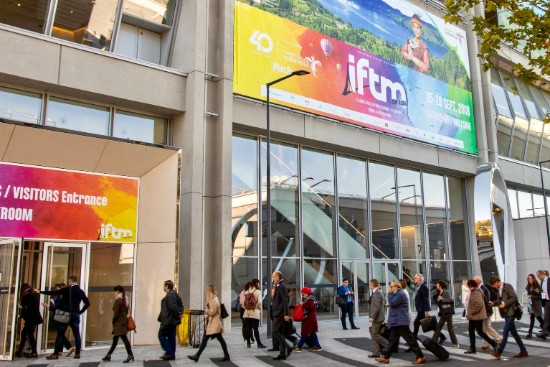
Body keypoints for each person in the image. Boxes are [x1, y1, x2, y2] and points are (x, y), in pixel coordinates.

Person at [38, 275, 90, 360]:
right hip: (75, 315)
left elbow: (54, 292)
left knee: (60, 334)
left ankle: (55, 354)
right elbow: (87, 303)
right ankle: (77, 354)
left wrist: (40, 292)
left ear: (70, 281)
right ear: (76, 281)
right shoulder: (80, 291)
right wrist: (80, 312)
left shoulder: (67, 289)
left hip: (66, 314)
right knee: (76, 334)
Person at [375, 280, 426, 365]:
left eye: (391, 287)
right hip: (396, 322)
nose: (390, 289)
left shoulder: (400, 294)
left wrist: (389, 294)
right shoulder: (396, 294)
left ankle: (420, 356)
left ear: (396, 287)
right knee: (392, 341)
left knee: (410, 340)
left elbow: (393, 303)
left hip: (401, 322)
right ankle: (386, 358)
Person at [488, 275, 528, 359]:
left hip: (511, 312)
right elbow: (499, 300)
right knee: (514, 333)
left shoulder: (508, 286)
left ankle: (499, 352)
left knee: (505, 332)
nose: (493, 286)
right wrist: (494, 303)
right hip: (505, 312)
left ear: (497, 282)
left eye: (494, 284)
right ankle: (523, 350)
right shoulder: (498, 289)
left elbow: (514, 297)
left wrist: (505, 304)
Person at [187, 285, 230, 362]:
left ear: (210, 291)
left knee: (206, 339)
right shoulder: (213, 299)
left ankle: (197, 356)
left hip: (214, 323)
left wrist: (206, 310)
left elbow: (212, 312)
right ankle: (226, 355)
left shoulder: (214, 300)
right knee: (219, 339)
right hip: (214, 323)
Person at [464, 279, 497, 354]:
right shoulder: (474, 291)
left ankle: (493, 343)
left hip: (476, 316)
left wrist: (472, 312)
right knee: (472, 331)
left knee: (479, 331)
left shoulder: (476, 292)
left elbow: (479, 304)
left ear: (470, 285)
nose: (467, 286)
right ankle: (472, 348)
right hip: (473, 316)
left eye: (467, 285)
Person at [102, 285, 134, 363]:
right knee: (115, 340)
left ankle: (130, 354)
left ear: (117, 291)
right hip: (123, 321)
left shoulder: (118, 301)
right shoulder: (125, 300)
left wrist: (113, 320)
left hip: (119, 323)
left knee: (124, 339)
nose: (114, 293)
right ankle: (108, 355)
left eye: (115, 291)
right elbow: (125, 312)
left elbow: (116, 313)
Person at [42, 283, 74, 357]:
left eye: (58, 288)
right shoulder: (59, 296)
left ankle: (59, 351)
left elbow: (59, 309)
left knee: (60, 334)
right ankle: (62, 350)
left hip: (61, 318)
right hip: (59, 317)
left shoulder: (63, 297)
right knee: (60, 334)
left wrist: (48, 306)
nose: (56, 290)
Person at [473, 276, 502, 351]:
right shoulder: (481, 288)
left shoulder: (483, 289)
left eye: (474, 281)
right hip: (484, 311)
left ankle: (499, 339)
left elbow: (486, 301)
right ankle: (487, 344)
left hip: (486, 311)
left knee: (487, 327)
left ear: (478, 281)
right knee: (484, 328)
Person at [15, 283, 42, 358]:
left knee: (28, 335)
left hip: (31, 319)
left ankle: (33, 352)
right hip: (32, 319)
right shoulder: (32, 294)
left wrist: (22, 307)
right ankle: (21, 351)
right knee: (25, 334)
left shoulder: (29, 295)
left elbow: (29, 306)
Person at [157, 280, 183, 360]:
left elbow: (172, 306)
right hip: (172, 320)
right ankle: (171, 354)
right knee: (171, 337)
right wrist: (179, 314)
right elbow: (180, 305)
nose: (163, 287)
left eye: (164, 286)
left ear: (167, 287)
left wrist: (178, 314)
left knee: (161, 335)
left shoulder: (170, 294)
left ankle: (169, 352)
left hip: (168, 320)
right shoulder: (175, 294)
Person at [271, 271, 294, 360]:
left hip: (280, 313)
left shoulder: (281, 286)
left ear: (277, 277)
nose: (273, 278)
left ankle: (288, 346)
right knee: (280, 332)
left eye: (273, 276)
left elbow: (285, 301)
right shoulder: (277, 286)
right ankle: (282, 354)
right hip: (278, 312)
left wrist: (286, 314)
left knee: (275, 332)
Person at [431, 280, 458, 348]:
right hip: (444, 313)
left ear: (440, 285)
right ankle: (433, 341)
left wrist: (442, 299)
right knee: (439, 327)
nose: (436, 285)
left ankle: (455, 343)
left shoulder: (445, 292)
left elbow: (450, 300)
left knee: (449, 328)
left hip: (447, 313)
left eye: (437, 284)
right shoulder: (440, 292)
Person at [294, 287, 322, 352]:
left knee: (305, 332)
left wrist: (302, 305)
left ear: (306, 293)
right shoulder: (307, 298)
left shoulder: (310, 299)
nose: (302, 294)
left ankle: (299, 347)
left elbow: (310, 307)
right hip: (310, 317)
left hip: (309, 318)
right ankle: (318, 347)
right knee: (312, 333)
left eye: (303, 293)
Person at [242, 279, 265, 348]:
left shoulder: (246, 291)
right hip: (254, 312)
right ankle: (259, 343)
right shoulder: (258, 292)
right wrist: (258, 308)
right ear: (257, 284)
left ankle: (248, 343)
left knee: (248, 328)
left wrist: (247, 308)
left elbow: (243, 303)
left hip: (247, 312)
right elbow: (260, 302)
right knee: (255, 328)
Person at [368, 279, 387, 358]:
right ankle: (376, 352)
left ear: (372, 285)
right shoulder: (377, 292)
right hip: (378, 317)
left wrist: (372, 317)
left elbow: (377, 307)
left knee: (375, 334)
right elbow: (383, 302)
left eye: (370, 284)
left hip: (377, 318)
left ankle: (388, 345)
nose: (369, 285)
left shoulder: (377, 293)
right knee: (374, 334)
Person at [410, 273, 430, 344]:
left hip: (422, 310)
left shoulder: (424, 287)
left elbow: (426, 299)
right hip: (420, 309)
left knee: (416, 324)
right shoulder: (417, 287)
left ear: (420, 279)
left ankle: (413, 342)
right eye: (414, 278)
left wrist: (426, 310)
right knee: (430, 325)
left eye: (415, 278)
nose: (414, 279)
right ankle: (413, 340)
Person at [525, 274, 544, 339]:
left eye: (531, 278)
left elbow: (540, 296)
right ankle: (529, 333)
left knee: (539, 319)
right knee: (532, 319)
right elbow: (529, 294)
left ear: (533, 279)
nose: (530, 280)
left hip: (536, 305)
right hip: (531, 305)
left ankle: (546, 330)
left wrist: (532, 296)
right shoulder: (528, 286)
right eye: (529, 278)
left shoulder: (537, 286)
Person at [536, 270, 550, 339]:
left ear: (541, 275)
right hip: (546, 302)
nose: (538, 278)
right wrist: (539, 292)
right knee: (546, 317)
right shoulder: (541, 283)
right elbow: (543, 292)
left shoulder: (549, 280)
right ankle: (544, 333)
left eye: (538, 276)